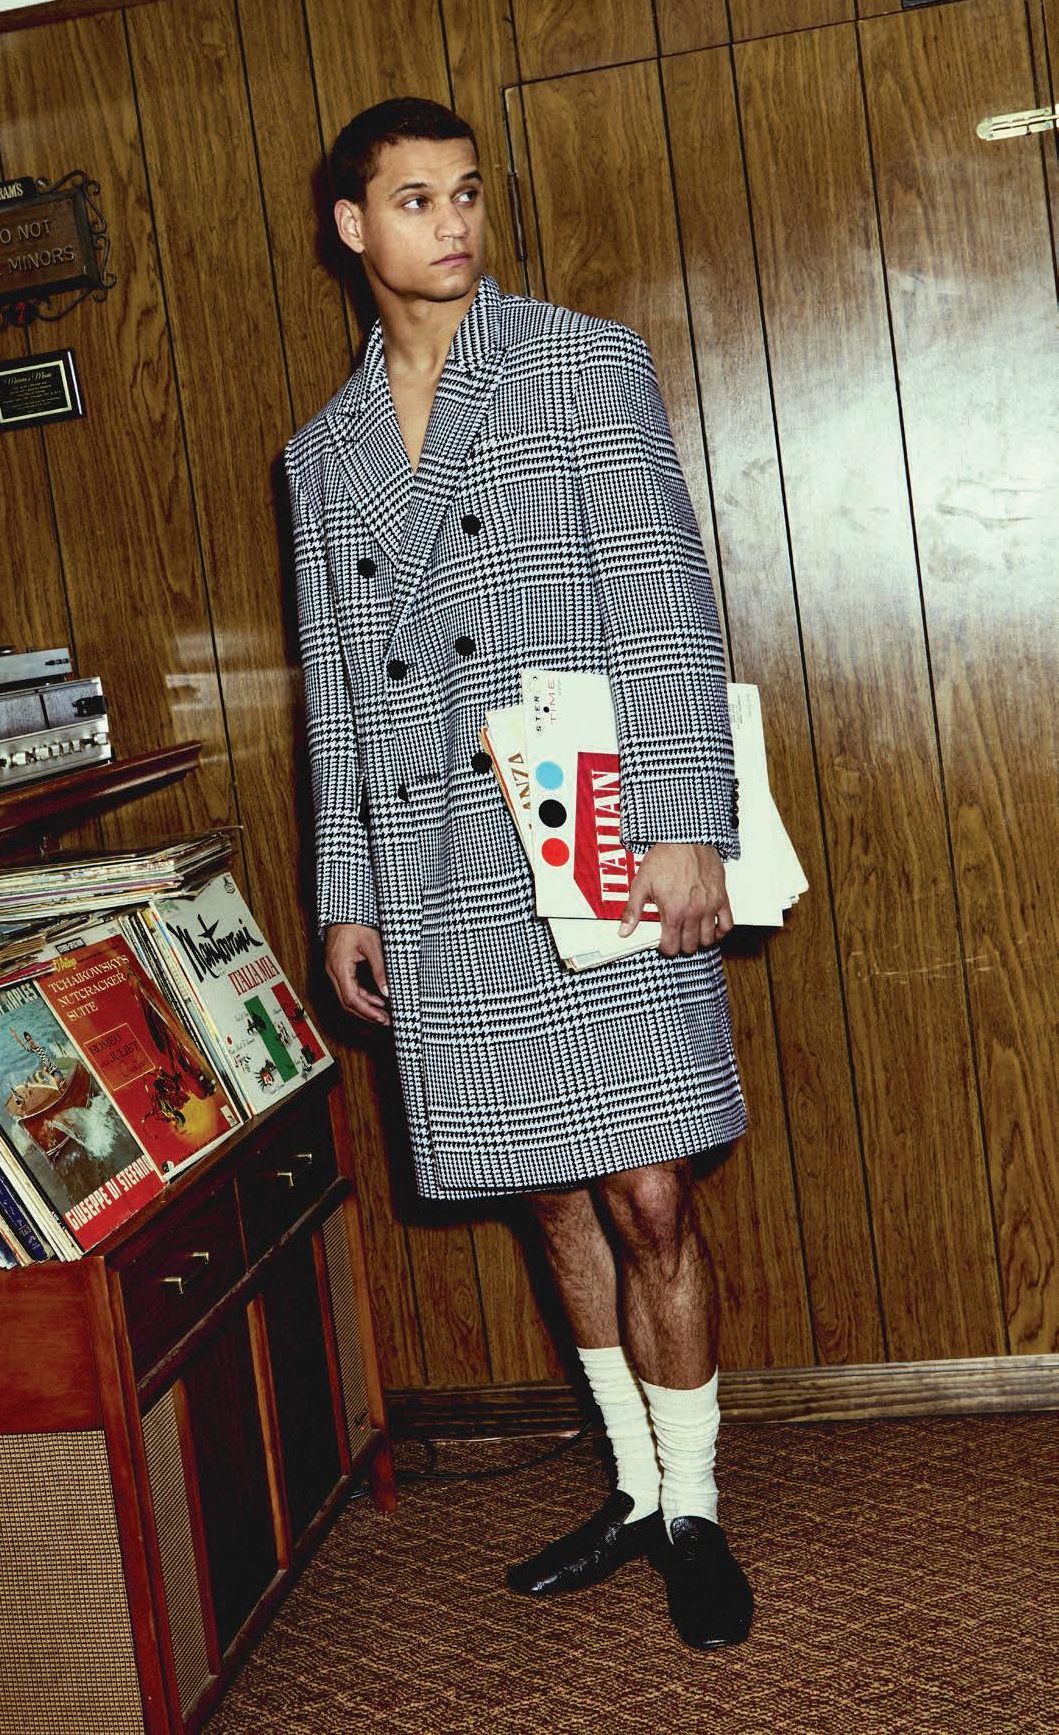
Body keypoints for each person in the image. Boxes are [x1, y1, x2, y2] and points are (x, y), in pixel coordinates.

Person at [282, 96, 754, 1650]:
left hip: (597, 825)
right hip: (441, 861)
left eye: (465, 192)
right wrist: (348, 892)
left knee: (647, 1185)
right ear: (352, 227)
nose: (452, 223)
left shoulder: (576, 363)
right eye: (415, 199)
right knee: (546, 1181)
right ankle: (634, 1484)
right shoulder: (323, 454)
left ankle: (695, 1504)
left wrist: (686, 821)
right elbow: (338, 696)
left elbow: (665, 602)